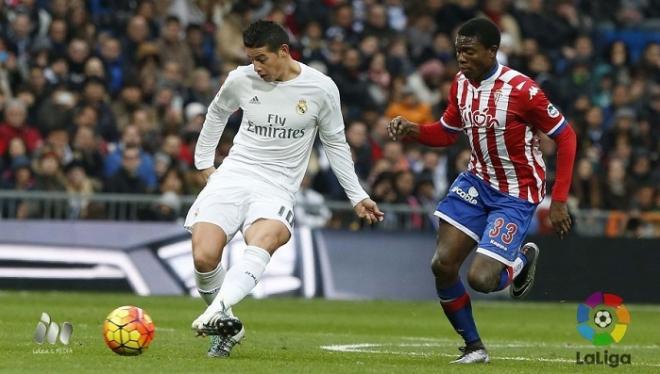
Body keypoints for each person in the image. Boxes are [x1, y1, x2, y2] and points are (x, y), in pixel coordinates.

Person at [185, 20, 384, 358]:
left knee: (263, 238)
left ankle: (214, 313)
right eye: (251, 59)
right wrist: (204, 162)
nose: (256, 67)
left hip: (277, 185)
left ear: (284, 52)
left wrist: (356, 195)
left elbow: (335, 143)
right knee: (204, 257)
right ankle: (227, 320)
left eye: (262, 58)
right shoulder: (240, 79)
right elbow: (217, 113)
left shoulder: (321, 89)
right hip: (235, 173)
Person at [387, 18, 576, 364]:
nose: (461, 58)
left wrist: (559, 199)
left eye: (469, 51)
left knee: (482, 279)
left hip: (516, 193)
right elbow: (447, 131)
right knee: (443, 265)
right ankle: (474, 346)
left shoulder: (522, 90)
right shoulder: (459, 84)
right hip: (477, 182)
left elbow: (566, 136)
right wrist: (414, 129)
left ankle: (519, 261)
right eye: (458, 51)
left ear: (492, 51)